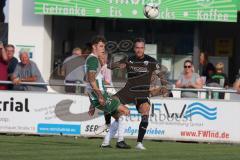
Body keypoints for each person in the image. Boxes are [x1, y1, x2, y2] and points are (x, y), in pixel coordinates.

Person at [101, 38, 169, 150]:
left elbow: (161, 75)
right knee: (110, 104)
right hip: (128, 90)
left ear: (144, 49)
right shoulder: (129, 59)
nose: (139, 50)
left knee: (145, 110)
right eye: (137, 48)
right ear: (134, 48)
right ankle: (108, 135)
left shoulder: (151, 61)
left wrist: (164, 87)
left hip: (142, 92)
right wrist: (114, 65)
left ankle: (139, 143)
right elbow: (111, 66)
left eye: (141, 48)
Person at [85, 35, 130, 149]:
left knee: (120, 116)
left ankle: (106, 143)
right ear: (94, 47)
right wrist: (99, 96)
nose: (103, 49)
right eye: (100, 46)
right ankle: (119, 141)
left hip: (98, 96)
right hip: (101, 95)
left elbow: (90, 82)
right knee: (125, 111)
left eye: (103, 46)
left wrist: (92, 102)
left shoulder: (94, 60)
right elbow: (91, 80)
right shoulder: (93, 59)